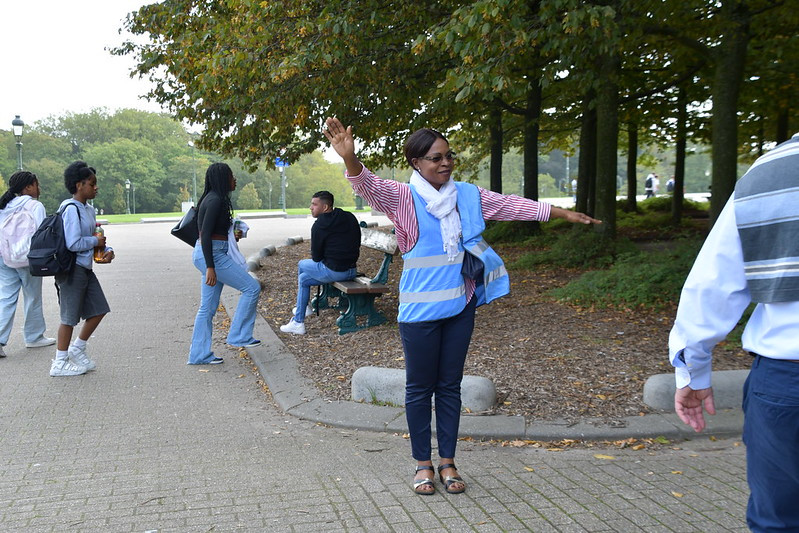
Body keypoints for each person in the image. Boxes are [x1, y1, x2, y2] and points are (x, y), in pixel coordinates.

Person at [323, 117, 601, 496]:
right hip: (419, 314)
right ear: (417, 163)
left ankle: (448, 462)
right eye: (436, 158)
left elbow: (510, 205)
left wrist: (564, 213)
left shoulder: (466, 196)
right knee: (419, 389)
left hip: (459, 307)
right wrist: (350, 159)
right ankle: (422, 464)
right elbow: (368, 185)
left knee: (449, 387)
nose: (446, 163)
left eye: (449, 156)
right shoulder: (404, 198)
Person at [669, 133, 799, 532]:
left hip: (787, 378)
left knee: (779, 519)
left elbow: (714, 283)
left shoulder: (775, 169)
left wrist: (694, 372)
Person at [188, 162, 262, 365]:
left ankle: (199, 355)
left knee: (207, 308)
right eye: (231, 176)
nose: (234, 180)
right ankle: (239, 335)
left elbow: (213, 233)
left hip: (211, 253)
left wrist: (231, 235)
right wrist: (210, 267)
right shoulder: (214, 200)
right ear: (222, 179)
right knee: (252, 288)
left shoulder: (214, 199)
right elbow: (205, 235)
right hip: (211, 256)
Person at [50, 162, 115, 377]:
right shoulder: (70, 209)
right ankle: (59, 362)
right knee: (69, 317)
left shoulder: (88, 209)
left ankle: (77, 348)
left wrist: (106, 250)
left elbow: (95, 237)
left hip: (85, 267)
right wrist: (95, 242)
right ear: (79, 185)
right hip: (72, 269)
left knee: (99, 309)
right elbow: (73, 243)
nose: (96, 187)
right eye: (92, 183)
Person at [280, 190, 360, 335]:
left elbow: (316, 258)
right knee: (303, 279)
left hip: (335, 271)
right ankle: (300, 315)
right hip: (351, 269)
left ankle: (301, 317)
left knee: (301, 264)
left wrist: (327, 256)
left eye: (314, 204)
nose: (310, 207)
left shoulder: (319, 226)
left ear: (325, 207)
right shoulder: (348, 216)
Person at [0, 171, 56, 357]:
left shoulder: (4, 204)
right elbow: (41, 234)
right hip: (27, 258)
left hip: (4, 257)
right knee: (32, 297)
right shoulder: (34, 205)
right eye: (36, 184)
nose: (39, 189)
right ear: (28, 187)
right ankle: (33, 336)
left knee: (6, 298)